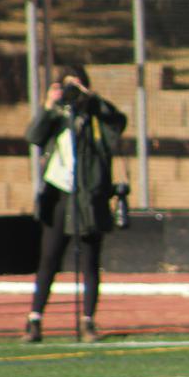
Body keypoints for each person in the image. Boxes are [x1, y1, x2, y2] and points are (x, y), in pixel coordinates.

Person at [24, 64, 127, 344]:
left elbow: (117, 124)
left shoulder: (95, 117)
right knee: (49, 258)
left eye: (75, 85)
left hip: (89, 195)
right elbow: (34, 136)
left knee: (91, 261)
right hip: (59, 195)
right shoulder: (57, 115)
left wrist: (90, 98)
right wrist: (50, 105)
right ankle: (34, 320)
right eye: (67, 85)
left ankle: (87, 321)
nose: (71, 90)